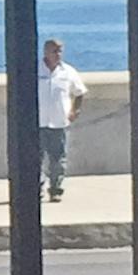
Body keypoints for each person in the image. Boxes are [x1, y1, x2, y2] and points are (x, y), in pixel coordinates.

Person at [36, 35, 86, 203]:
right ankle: (36, 189)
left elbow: (79, 92)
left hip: (59, 122)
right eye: (54, 51)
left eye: (59, 51)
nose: (57, 54)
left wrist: (75, 110)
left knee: (58, 158)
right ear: (45, 52)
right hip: (38, 122)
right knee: (36, 158)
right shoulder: (34, 69)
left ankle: (56, 189)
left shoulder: (68, 72)